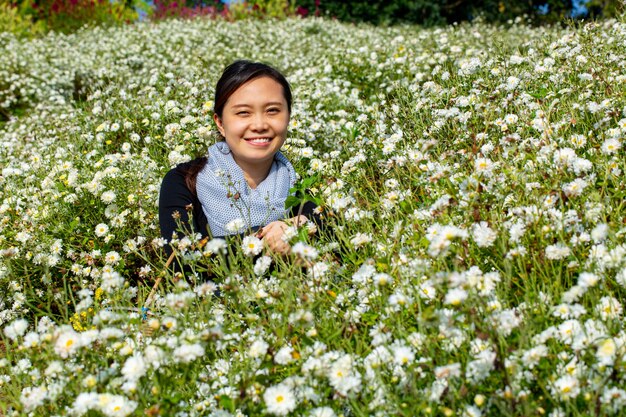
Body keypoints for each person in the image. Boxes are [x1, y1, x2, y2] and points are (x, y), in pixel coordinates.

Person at [159, 60, 319, 257]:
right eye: (243, 113)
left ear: (288, 117)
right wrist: (273, 237)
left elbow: (326, 219)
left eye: (272, 111)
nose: (259, 124)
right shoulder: (183, 181)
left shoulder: (292, 181)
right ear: (220, 123)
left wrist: (298, 223)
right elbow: (182, 257)